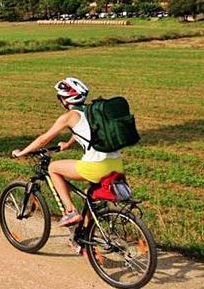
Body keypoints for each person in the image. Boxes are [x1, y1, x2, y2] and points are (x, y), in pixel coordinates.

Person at [11, 77, 124, 227]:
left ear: (65, 99)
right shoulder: (93, 111)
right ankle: (83, 240)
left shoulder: (68, 117)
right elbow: (87, 131)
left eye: (60, 97)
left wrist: (22, 152)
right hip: (116, 164)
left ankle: (70, 211)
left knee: (53, 168)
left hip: (96, 166)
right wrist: (68, 144)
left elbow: (43, 140)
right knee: (90, 195)